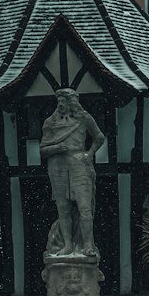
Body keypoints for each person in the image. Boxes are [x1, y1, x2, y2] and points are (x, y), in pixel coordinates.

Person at [40, 89, 105, 257]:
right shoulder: (50, 123)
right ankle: (68, 245)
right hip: (57, 165)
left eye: (64, 101)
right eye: (59, 101)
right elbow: (43, 150)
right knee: (63, 208)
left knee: (85, 207)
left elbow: (99, 137)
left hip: (78, 163)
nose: (61, 104)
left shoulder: (84, 119)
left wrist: (89, 154)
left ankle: (88, 245)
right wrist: (57, 148)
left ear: (72, 103)